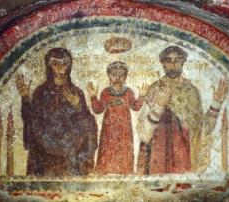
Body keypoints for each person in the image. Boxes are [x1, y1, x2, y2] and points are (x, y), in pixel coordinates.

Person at [137, 46, 229, 174]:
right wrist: (159, 105)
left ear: (183, 62)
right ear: (163, 64)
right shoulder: (156, 88)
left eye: (177, 60)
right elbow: (144, 133)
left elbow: (202, 130)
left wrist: (216, 103)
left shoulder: (191, 91)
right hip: (159, 158)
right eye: (168, 60)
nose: (173, 64)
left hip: (185, 157)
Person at [15, 48, 97, 176]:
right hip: (45, 152)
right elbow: (31, 119)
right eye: (55, 64)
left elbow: (86, 123)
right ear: (49, 66)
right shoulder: (40, 92)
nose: (60, 68)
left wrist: (78, 106)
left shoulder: (77, 92)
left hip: (70, 151)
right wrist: (25, 98)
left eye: (64, 63)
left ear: (69, 66)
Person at [86, 61, 148, 174]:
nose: (117, 78)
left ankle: (124, 170)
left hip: (124, 128)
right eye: (114, 74)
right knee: (107, 148)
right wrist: (93, 96)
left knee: (124, 148)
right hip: (109, 129)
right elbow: (98, 109)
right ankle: (104, 170)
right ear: (109, 75)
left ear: (125, 76)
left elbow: (135, 107)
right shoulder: (106, 92)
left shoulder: (128, 92)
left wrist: (142, 96)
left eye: (121, 74)